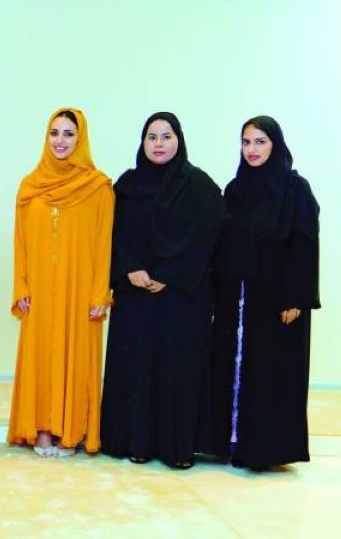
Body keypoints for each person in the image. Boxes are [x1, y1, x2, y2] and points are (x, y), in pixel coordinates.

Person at [100, 112, 224, 469]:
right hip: (136, 296)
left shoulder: (200, 186)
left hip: (181, 298)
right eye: (151, 137)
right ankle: (135, 441)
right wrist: (130, 269)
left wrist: (170, 274)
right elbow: (111, 233)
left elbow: (209, 238)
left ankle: (177, 448)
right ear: (142, 142)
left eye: (166, 136)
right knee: (137, 368)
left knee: (177, 373)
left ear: (178, 140)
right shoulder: (127, 186)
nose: (158, 144)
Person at [202, 115, 319, 471]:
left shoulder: (294, 190)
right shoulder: (236, 189)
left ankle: (263, 451)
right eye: (246, 142)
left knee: (269, 371)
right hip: (235, 298)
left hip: (276, 300)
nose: (251, 149)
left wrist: (296, 297)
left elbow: (304, 245)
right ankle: (229, 442)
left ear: (275, 145)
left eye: (260, 141)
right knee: (231, 367)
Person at [7, 107, 113, 458]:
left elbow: (104, 244)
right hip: (38, 290)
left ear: (80, 139)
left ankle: (70, 432)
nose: (60, 140)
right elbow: (20, 241)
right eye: (54, 133)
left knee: (76, 357)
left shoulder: (98, 188)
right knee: (40, 357)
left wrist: (100, 292)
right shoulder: (30, 186)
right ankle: (40, 431)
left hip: (79, 290)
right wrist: (21, 285)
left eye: (69, 133)